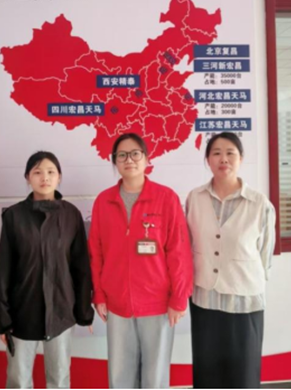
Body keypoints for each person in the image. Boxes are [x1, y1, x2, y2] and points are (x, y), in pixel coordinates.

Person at [88, 133, 193, 389]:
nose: (129, 160)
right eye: (122, 155)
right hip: (117, 302)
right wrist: (99, 294)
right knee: (120, 375)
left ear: (146, 159)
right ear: (114, 161)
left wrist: (179, 298)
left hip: (158, 303)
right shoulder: (104, 201)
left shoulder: (166, 198)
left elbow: (179, 251)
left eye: (136, 154)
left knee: (155, 376)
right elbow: (95, 252)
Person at [0, 151, 94, 389]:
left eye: (50, 172)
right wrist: (2, 318)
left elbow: (80, 267)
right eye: (37, 172)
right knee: (18, 380)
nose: (44, 177)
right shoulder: (14, 215)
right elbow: (4, 268)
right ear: (28, 177)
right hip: (22, 311)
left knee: (59, 379)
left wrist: (83, 311)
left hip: (61, 310)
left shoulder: (71, 214)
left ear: (59, 177)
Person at [186, 132, 276, 388]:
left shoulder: (259, 204)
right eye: (216, 153)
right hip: (205, 298)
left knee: (242, 374)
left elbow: (265, 253)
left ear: (241, 158)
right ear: (207, 160)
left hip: (244, 300)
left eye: (230, 153)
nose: (223, 159)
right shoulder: (194, 198)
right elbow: (189, 244)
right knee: (207, 373)